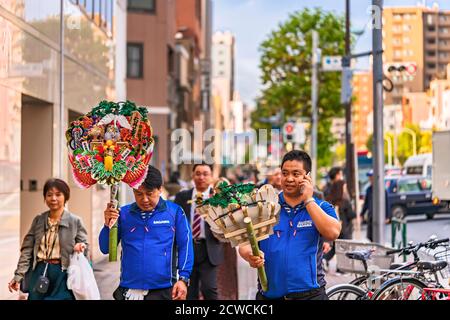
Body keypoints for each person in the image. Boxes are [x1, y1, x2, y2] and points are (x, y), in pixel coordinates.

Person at [238, 150, 341, 300]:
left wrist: (308, 200)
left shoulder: (321, 207)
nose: (289, 179)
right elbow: (244, 244)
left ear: (308, 177)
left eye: (296, 174)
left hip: (310, 295)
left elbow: (333, 233)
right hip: (269, 295)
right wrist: (250, 255)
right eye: (285, 173)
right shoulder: (264, 208)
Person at [100, 165, 193, 300]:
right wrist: (107, 224)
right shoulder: (123, 214)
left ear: (160, 189)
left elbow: (186, 246)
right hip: (129, 289)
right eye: (138, 194)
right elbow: (105, 249)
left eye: (149, 194)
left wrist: (183, 279)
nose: (144, 199)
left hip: (164, 289)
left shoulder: (175, 212)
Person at [8, 178, 88, 300]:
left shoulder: (75, 221)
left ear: (66, 197)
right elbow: (27, 250)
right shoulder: (39, 220)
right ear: (45, 197)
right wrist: (18, 276)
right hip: (39, 271)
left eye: (58, 194)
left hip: (63, 273)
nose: (53, 198)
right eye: (49, 195)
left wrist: (80, 247)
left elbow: (85, 247)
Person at [174, 163, 224, 300]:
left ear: (212, 176)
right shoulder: (182, 197)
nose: (201, 177)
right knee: (190, 291)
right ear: (192, 175)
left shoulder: (219, 198)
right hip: (187, 249)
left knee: (209, 289)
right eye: (198, 173)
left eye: (205, 174)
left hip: (209, 249)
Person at [360, 170, 390, 242]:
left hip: (380, 217)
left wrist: (387, 216)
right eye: (369, 177)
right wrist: (362, 214)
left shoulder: (382, 190)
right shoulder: (368, 190)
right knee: (370, 236)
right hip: (371, 216)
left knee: (379, 236)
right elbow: (366, 203)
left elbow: (387, 203)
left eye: (371, 177)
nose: (370, 179)